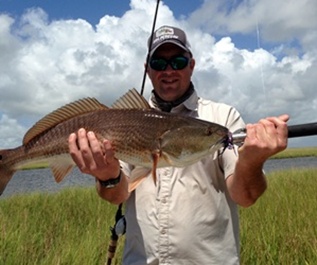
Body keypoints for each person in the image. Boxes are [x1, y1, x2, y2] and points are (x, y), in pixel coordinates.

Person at [68, 25, 289, 265]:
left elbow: (246, 196)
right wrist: (108, 176)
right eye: (159, 64)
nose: (169, 70)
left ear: (191, 65)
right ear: (148, 70)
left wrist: (252, 161)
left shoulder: (223, 118)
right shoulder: (124, 122)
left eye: (179, 61)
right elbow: (117, 194)